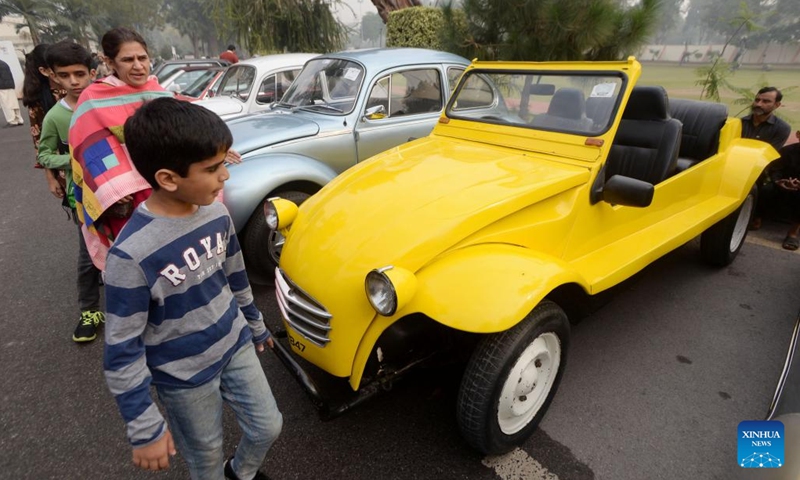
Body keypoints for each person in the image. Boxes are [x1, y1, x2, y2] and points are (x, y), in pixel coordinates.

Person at [104, 97, 282, 480]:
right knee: (205, 458)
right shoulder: (130, 255)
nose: (225, 177)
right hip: (183, 376)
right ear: (168, 178)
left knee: (269, 425)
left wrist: (254, 324)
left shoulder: (216, 213)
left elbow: (235, 275)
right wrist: (144, 426)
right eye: (213, 168)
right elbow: (122, 351)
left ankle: (242, 473)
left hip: (234, 344)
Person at [69, 27, 174, 272]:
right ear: (110, 62)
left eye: (142, 58)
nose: (138, 66)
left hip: (166, 188)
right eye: (128, 59)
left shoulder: (161, 92)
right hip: (127, 198)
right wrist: (116, 187)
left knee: (172, 254)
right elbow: (89, 147)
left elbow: (181, 135)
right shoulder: (93, 98)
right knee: (137, 260)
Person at [37, 40, 104, 343]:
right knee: (88, 256)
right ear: (53, 76)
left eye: (79, 74)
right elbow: (45, 154)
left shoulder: (105, 103)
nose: (73, 82)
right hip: (82, 198)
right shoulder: (55, 117)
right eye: (64, 76)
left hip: (119, 194)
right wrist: (76, 156)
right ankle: (89, 310)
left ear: (92, 72)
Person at [743, 87, 792, 231]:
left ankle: (756, 216)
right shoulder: (740, 122)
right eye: (757, 100)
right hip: (737, 165)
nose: (759, 104)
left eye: (766, 101)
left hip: (762, 168)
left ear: (777, 105)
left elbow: (768, 154)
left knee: (766, 187)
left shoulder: (782, 128)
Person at [21, 44, 67, 199]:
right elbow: (41, 142)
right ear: (45, 71)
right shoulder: (38, 101)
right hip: (65, 167)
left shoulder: (77, 90)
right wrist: (50, 177)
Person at [766, 131, 800, 250]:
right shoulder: (786, 151)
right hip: (782, 185)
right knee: (766, 188)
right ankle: (756, 219)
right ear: (798, 134)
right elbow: (776, 169)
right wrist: (779, 181)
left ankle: (793, 232)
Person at [0, 58, 24, 126]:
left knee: (6, 105)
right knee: (14, 103)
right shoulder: (4, 63)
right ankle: (19, 119)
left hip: (2, 86)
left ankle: (12, 120)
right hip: (10, 85)